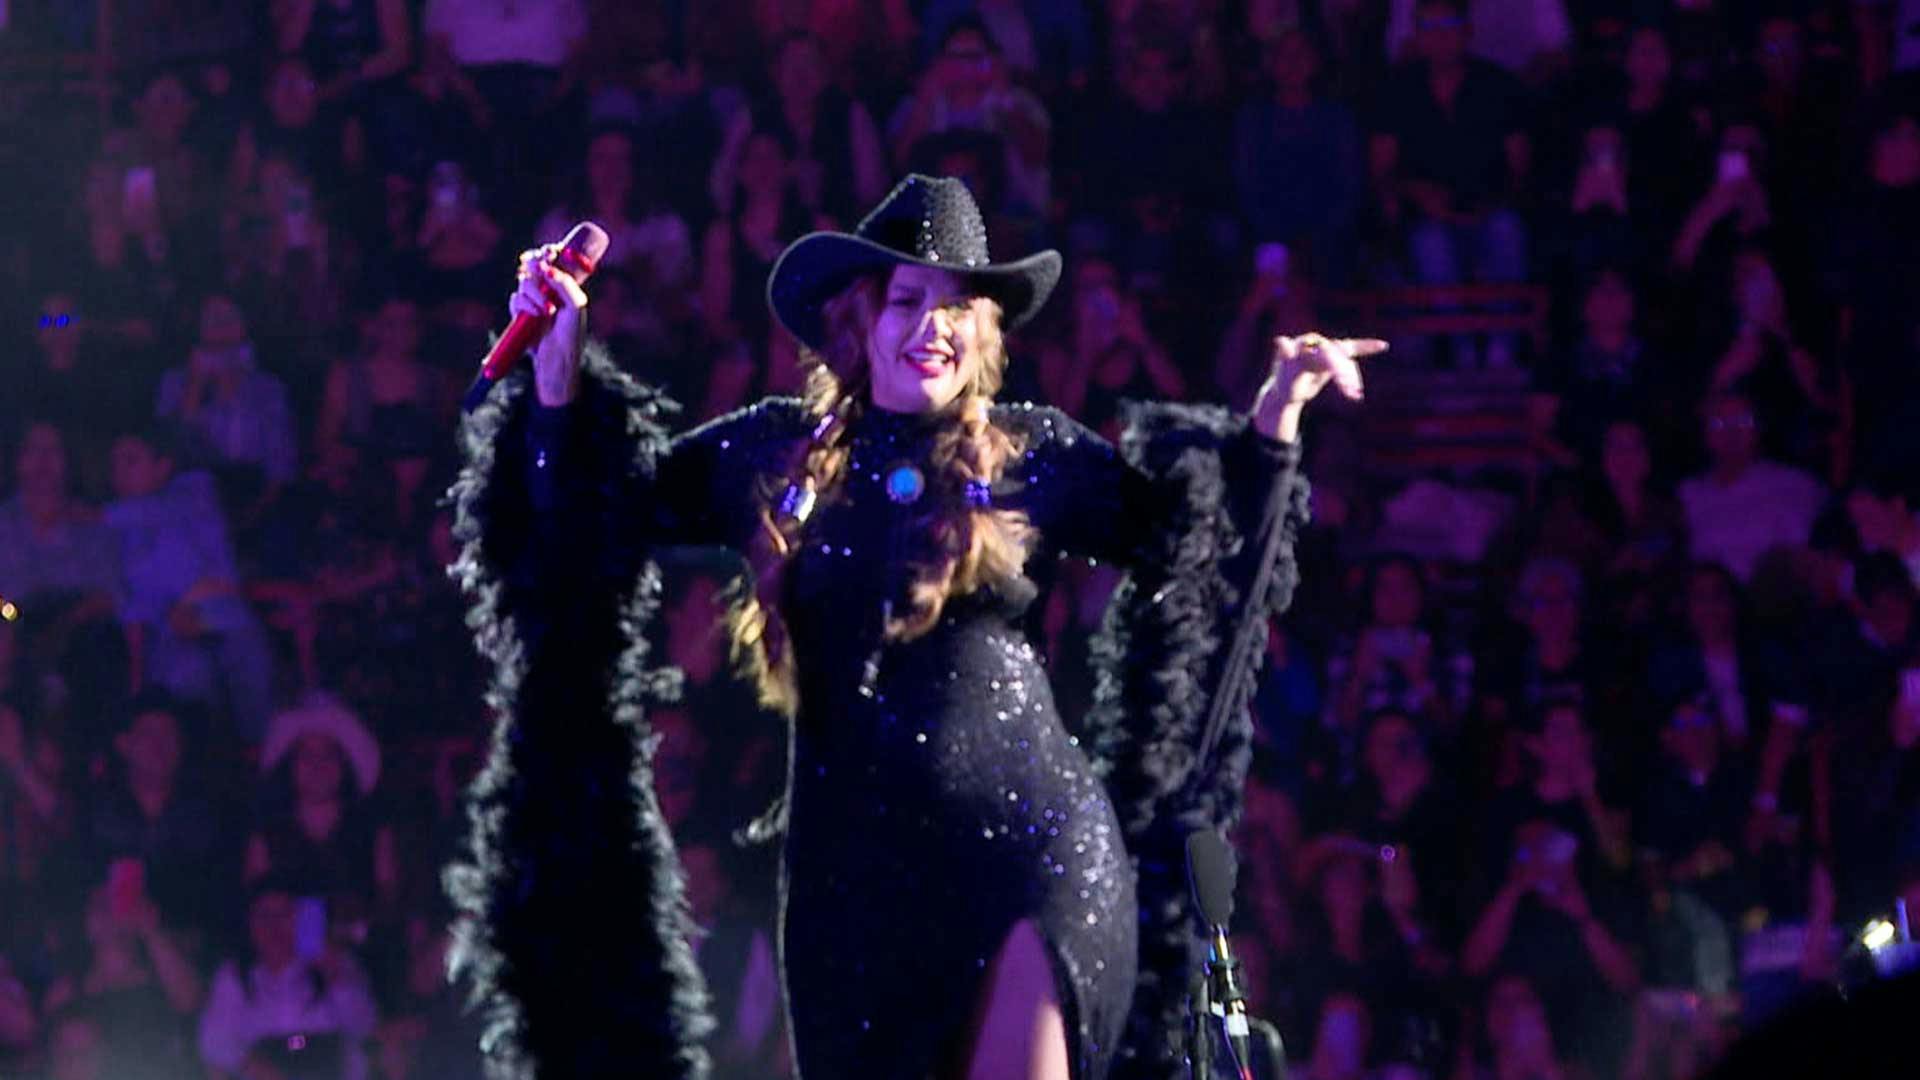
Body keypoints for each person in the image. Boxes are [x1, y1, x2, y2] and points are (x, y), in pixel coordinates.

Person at [445, 174, 1379, 1078]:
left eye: (955, 308)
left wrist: (1273, 419)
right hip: (849, 887)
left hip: (1030, 859)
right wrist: (560, 371)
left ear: (982, 333)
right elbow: (590, 525)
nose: (931, 327)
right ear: (859, 319)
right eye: (905, 300)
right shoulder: (771, 453)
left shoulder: (1035, 454)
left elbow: (1199, 553)